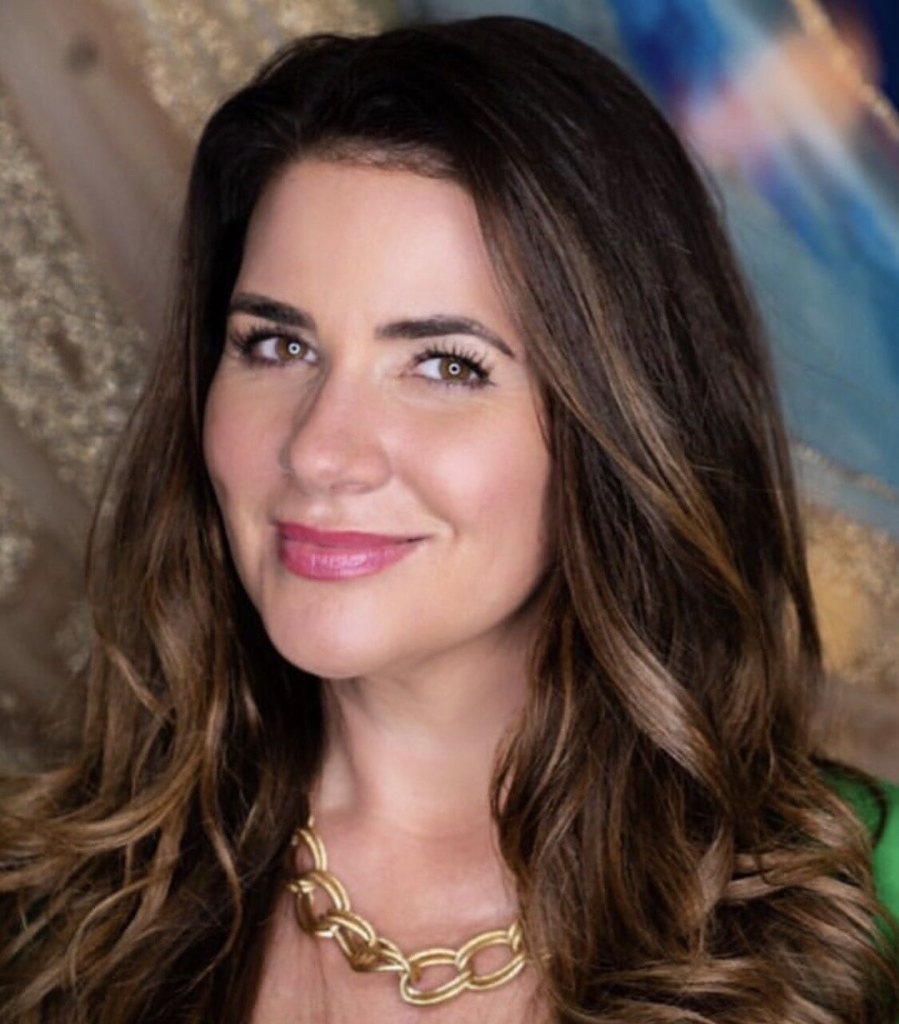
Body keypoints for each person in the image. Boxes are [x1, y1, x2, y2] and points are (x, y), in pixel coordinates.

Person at [1, 14, 897, 1024]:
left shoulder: (867, 899)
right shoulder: (46, 911)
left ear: (617, 426)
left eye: (444, 365)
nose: (319, 450)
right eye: (276, 346)